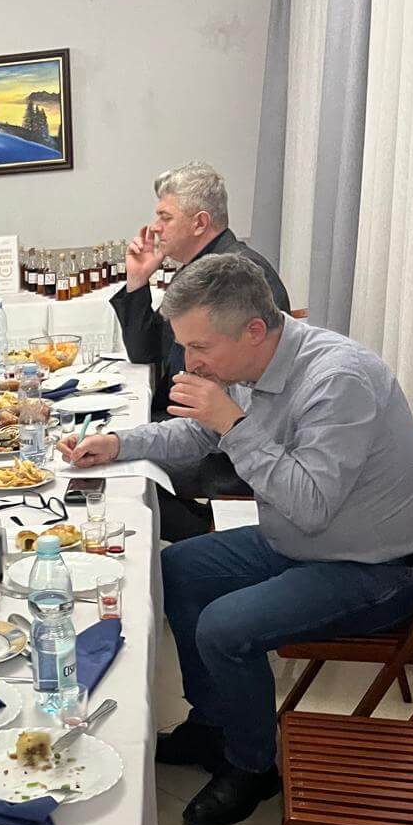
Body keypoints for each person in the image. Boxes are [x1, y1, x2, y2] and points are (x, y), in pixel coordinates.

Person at [63, 255, 413, 825]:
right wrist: (120, 443)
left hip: (381, 566)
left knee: (225, 628)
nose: (190, 362)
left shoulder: (339, 380)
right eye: (185, 346)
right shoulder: (251, 362)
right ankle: (212, 724)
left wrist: (234, 425)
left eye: (200, 347)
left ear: (255, 330)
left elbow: (310, 504)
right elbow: (197, 432)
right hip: (302, 541)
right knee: (178, 569)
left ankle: (251, 765)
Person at [110, 162, 290, 542]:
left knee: (123, 474)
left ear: (200, 222)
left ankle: (208, 533)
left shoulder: (239, 279)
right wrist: (138, 281)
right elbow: (147, 353)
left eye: (165, 217)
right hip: (196, 423)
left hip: (230, 447)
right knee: (117, 454)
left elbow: (249, 406)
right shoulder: (197, 271)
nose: (155, 227)